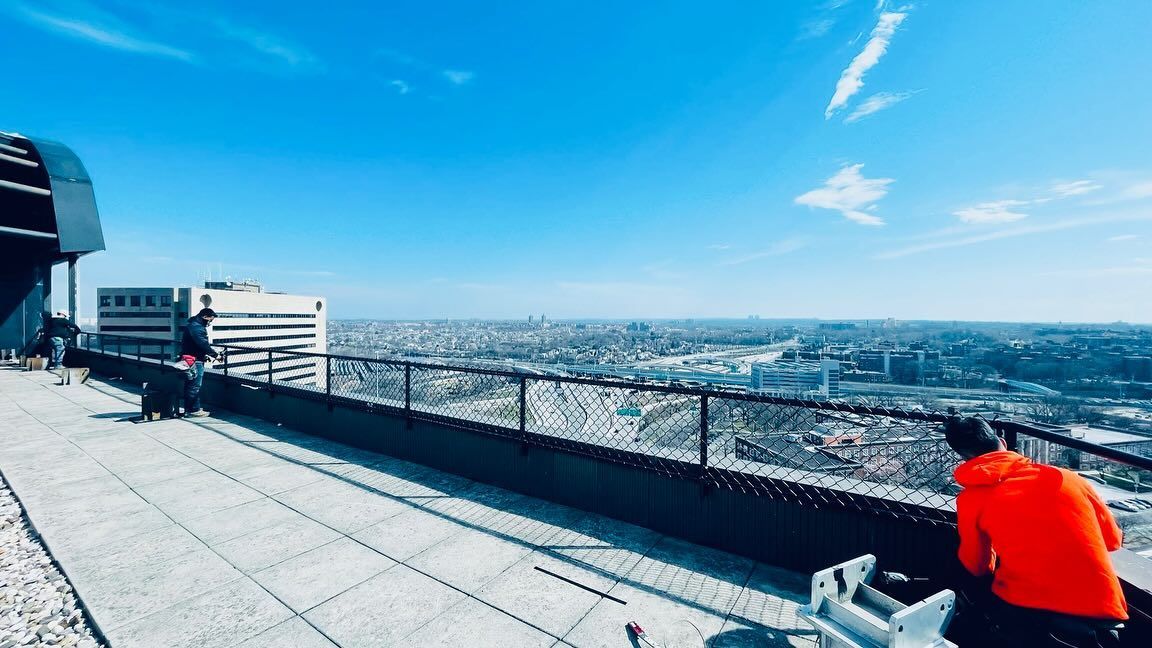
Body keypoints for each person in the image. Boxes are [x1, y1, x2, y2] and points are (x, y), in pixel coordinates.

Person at [943, 416, 1127, 647]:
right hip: (1102, 610)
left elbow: (976, 565)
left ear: (965, 457)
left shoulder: (972, 498)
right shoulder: (1068, 478)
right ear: (1002, 442)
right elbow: (1111, 541)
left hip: (1029, 612)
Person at [180, 307, 220, 417]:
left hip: (190, 359)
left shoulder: (193, 325)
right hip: (195, 361)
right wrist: (216, 355)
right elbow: (202, 344)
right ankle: (194, 410)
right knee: (194, 386)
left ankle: (191, 408)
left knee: (190, 385)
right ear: (205, 317)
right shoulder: (197, 328)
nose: (210, 322)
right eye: (210, 320)